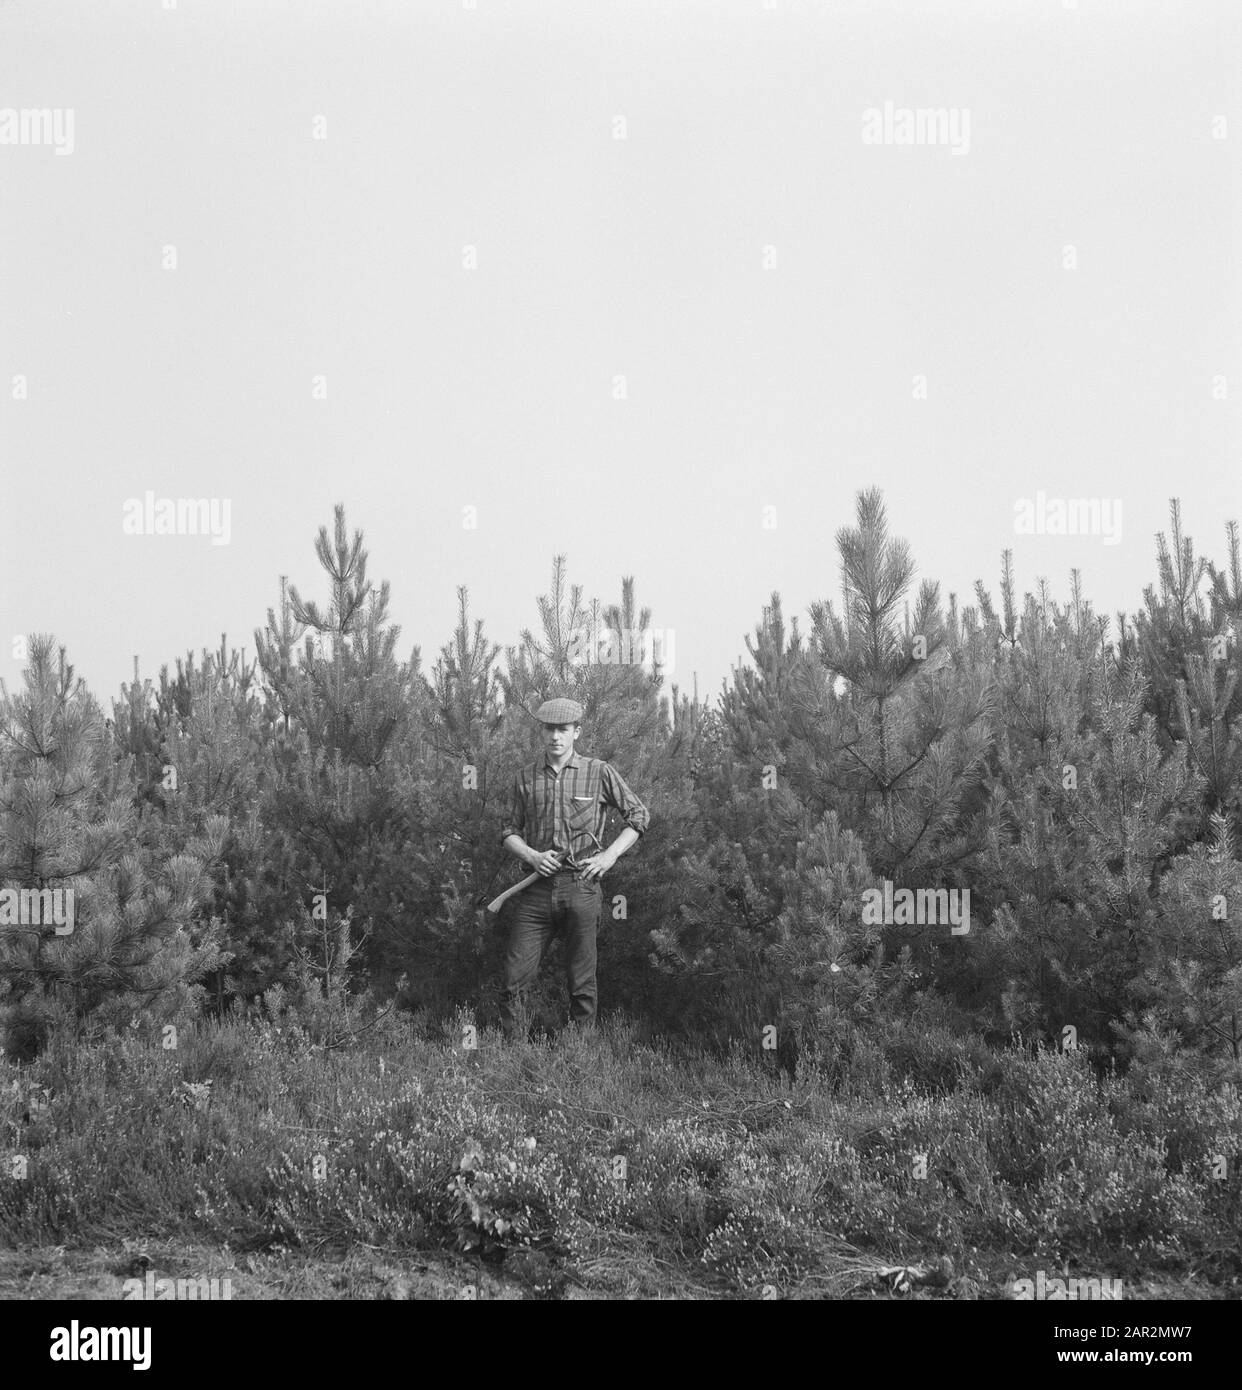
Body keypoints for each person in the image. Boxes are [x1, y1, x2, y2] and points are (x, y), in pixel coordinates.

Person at [498, 697, 650, 1038]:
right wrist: (532, 856)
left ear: (576, 732)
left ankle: (578, 1060)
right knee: (513, 981)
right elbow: (507, 831)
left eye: (563, 730)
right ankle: (512, 1061)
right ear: (542, 732)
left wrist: (608, 856)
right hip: (534, 890)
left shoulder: (598, 772)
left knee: (582, 983)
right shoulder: (524, 778)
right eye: (549, 729)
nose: (555, 736)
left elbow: (639, 816)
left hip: (581, 886)